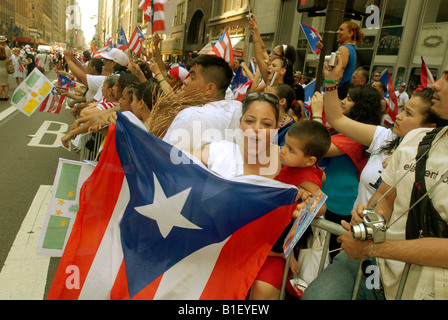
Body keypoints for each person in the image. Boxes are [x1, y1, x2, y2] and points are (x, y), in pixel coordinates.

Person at [303, 64, 448, 301]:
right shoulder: (414, 140)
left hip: (419, 283)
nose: (436, 84)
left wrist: (374, 247)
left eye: (447, 77)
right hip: (371, 262)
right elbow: (385, 196)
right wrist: (369, 218)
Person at [250, 120, 331, 300]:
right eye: (285, 144)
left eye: (291, 149)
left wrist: (301, 207)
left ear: (310, 160)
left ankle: (283, 255)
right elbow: (322, 174)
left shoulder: (305, 176)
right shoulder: (300, 166)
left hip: (281, 231)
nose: (283, 150)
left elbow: (321, 205)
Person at [312, 83, 383, 258]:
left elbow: (317, 147)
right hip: (326, 200)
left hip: (338, 206)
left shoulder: (357, 137)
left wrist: (316, 114)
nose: (343, 102)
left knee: (325, 256)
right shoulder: (347, 131)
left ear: (361, 107)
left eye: (349, 100)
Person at [162, 55, 242, 151]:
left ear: (210, 88)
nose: (185, 82)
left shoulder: (189, 116)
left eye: (192, 78)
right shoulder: (239, 108)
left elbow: (163, 156)